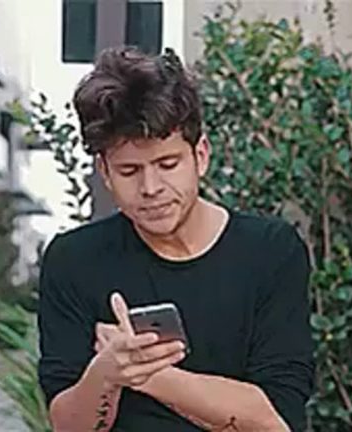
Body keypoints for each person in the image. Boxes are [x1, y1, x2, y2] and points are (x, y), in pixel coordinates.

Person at [38, 46, 315, 432]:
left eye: (167, 164)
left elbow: (275, 422)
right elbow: (69, 427)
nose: (151, 187)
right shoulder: (74, 261)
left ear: (200, 156)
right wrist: (106, 373)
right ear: (104, 172)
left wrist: (148, 373)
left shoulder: (270, 252)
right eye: (129, 171)